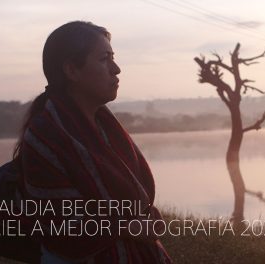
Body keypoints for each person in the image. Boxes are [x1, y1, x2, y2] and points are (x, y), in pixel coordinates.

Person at [12, 21, 172, 264]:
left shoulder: (105, 128)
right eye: (104, 59)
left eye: (113, 58)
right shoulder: (46, 136)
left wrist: (144, 219)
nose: (116, 69)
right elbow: (61, 227)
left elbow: (132, 202)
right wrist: (129, 226)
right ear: (72, 71)